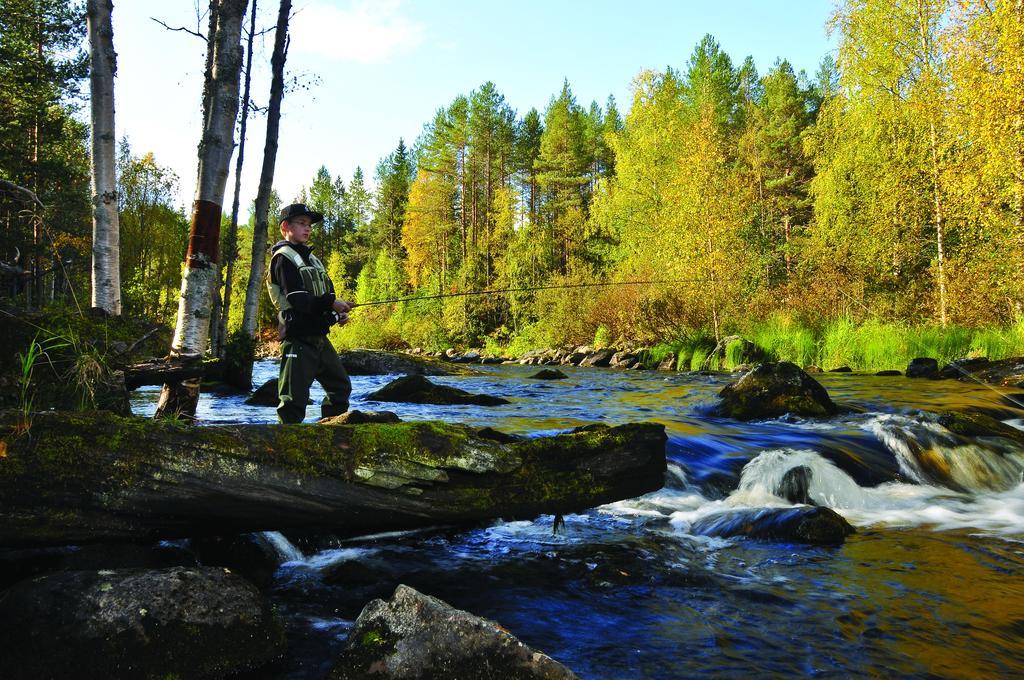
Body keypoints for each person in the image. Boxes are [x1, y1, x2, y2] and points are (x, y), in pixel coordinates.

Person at [267, 203, 354, 423]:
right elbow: (297, 299)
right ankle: (287, 448)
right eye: (302, 224)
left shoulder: (313, 259)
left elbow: (328, 293)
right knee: (293, 400)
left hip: (319, 337)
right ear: (285, 226)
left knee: (340, 388)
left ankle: (332, 437)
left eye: (309, 225)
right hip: (297, 337)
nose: (308, 229)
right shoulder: (282, 258)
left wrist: (338, 312)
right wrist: (331, 304)